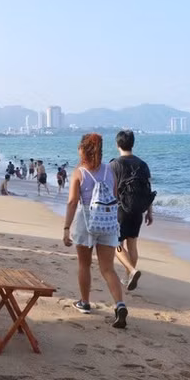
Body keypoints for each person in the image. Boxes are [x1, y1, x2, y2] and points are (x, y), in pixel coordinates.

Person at [62, 133, 128, 329]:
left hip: (86, 221)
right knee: (108, 268)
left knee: (84, 265)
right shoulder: (110, 170)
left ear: (83, 150)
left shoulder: (79, 172)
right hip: (107, 222)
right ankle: (119, 304)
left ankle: (85, 302)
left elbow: (73, 202)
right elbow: (114, 197)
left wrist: (66, 227)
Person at [110, 130, 155, 291]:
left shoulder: (114, 164)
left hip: (121, 210)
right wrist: (149, 211)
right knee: (133, 244)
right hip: (138, 210)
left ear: (117, 145)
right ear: (133, 144)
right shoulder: (143, 164)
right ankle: (128, 276)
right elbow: (148, 190)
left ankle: (132, 270)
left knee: (115, 243)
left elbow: (110, 190)